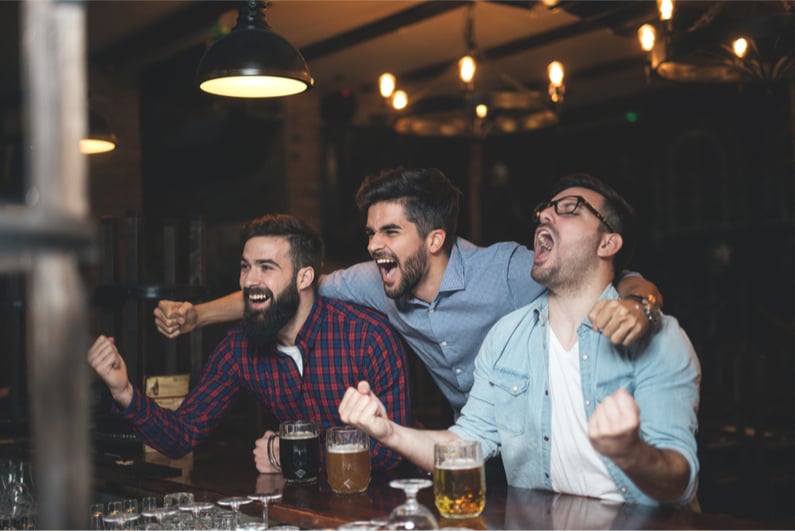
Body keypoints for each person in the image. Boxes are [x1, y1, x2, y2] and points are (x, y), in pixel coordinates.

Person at [153, 167, 663, 416]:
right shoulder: (374, 282)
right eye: (371, 232)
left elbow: (609, 274)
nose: (374, 245)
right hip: (476, 445)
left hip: (554, 435)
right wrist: (198, 316)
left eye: (389, 232)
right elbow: (282, 287)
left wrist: (640, 303)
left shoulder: (506, 269)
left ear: (435, 239)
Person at [338, 174, 701, 506]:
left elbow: (678, 482)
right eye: (544, 209)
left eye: (570, 209)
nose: (544, 215)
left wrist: (630, 452)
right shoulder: (504, 339)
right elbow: (466, 444)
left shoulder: (660, 338)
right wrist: (387, 431)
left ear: (608, 242)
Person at [88, 214, 411, 473]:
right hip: (306, 509)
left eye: (266, 268)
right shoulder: (239, 348)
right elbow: (181, 436)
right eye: (245, 267)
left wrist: (289, 452)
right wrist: (123, 391)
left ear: (304, 278)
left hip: (388, 506)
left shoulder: (367, 337)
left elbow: (390, 452)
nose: (248, 280)